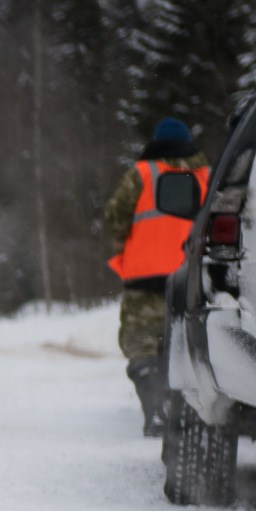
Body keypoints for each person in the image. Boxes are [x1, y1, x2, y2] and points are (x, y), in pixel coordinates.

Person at [103, 118, 210, 436]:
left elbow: (114, 218)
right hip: (192, 276)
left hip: (144, 276)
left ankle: (157, 411)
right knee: (191, 342)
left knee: (143, 346)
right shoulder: (207, 175)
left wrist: (129, 241)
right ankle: (192, 412)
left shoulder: (141, 174)